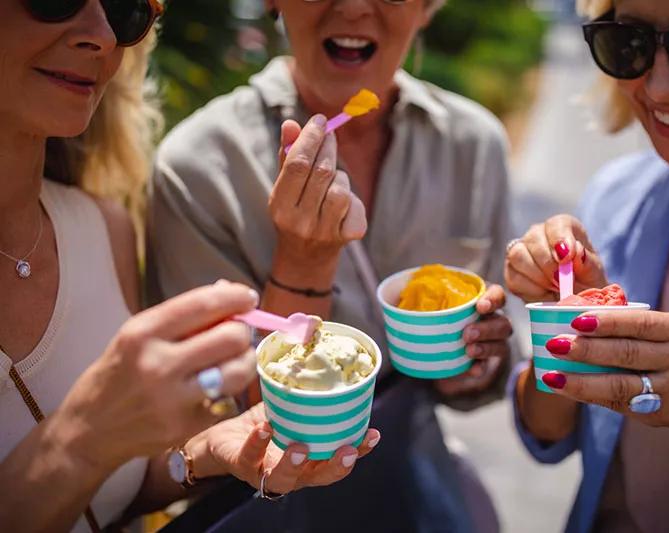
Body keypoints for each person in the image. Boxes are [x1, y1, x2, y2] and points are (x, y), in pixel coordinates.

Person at [0, 2, 376, 531]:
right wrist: (84, 436)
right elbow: (94, 445)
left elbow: (117, 491)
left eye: (126, 8)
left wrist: (202, 456)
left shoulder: (104, 229)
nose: (103, 36)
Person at [148, 0, 515, 531]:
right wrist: (305, 259)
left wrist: (473, 359)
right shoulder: (199, 169)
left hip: (410, 491)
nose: (353, 7)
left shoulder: (472, 146)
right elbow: (226, 423)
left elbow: (482, 378)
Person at [506, 0, 669, 531]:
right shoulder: (615, 195)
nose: (663, 86)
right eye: (629, 42)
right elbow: (548, 433)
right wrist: (563, 333)